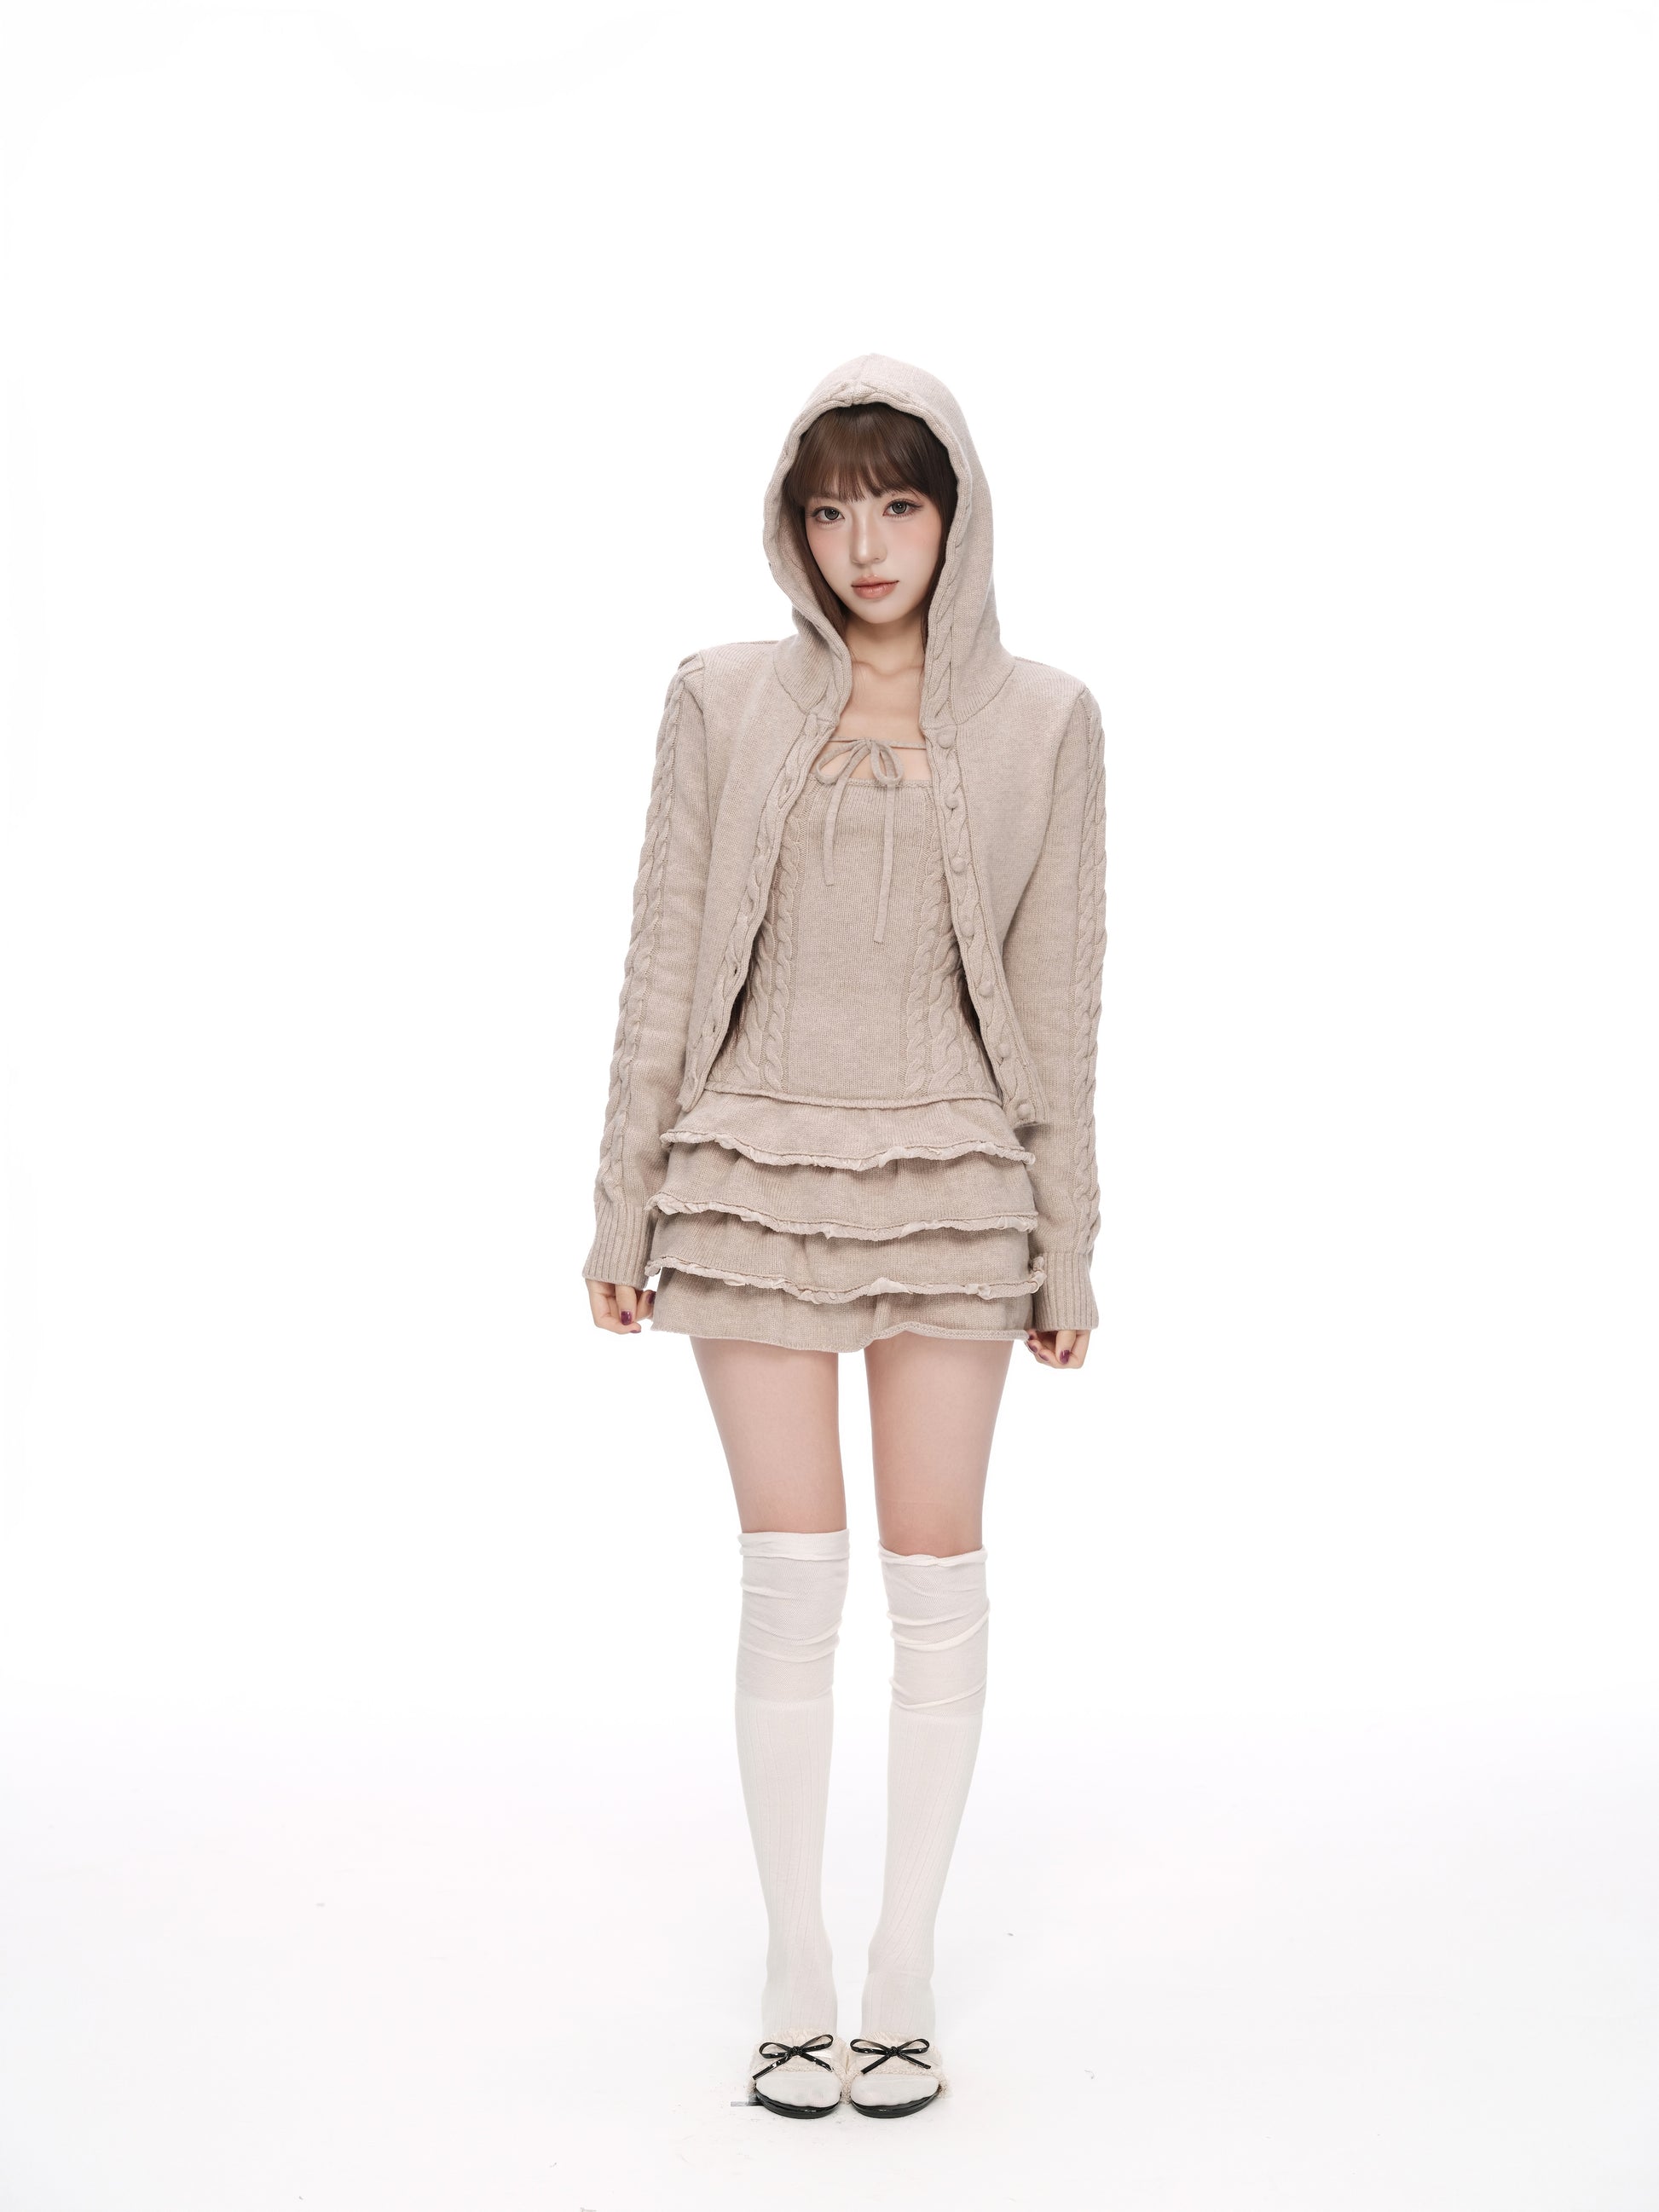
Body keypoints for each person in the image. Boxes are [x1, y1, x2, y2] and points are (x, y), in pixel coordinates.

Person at [582, 355, 1106, 2117]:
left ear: (954, 514)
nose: (861, 543)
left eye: (893, 503)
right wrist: (621, 1197)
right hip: (747, 1171)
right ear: (789, 526)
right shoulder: (719, 698)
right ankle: (794, 1966)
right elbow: (664, 956)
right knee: (788, 1576)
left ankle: (903, 1970)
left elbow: (1057, 996)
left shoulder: (1046, 719)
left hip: (958, 1179)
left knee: (935, 1576)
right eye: (826, 508)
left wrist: (1067, 1243)